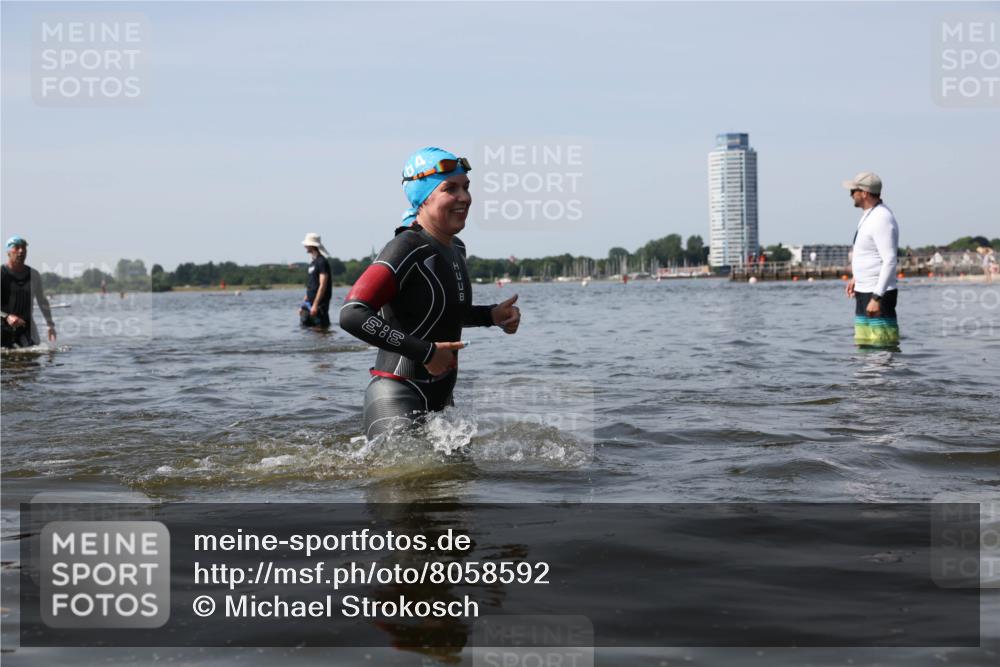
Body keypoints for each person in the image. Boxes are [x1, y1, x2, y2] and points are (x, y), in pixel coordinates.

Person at [340, 147, 520, 440]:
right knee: (403, 483)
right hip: (396, 395)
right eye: (450, 188)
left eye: (466, 187)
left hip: (442, 398)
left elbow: (441, 312)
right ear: (423, 198)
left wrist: (491, 315)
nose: (465, 197)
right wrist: (424, 352)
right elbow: (352, 314)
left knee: (454, 483)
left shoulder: (456, 249)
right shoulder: (405, 248)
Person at [843, 172, 900, 348]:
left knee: (882, 348)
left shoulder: (881, 218)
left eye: (853, 190)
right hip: (864, 291)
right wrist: (856, 278)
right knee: (865, 347)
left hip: (877, 294)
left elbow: (889, 259)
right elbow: (868, 253)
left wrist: (876, 297)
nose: (851, 194)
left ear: (865, 193)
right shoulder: (870, 215)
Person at [1, 236, 57, 348]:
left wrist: (50, 325)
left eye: (23, 248)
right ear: (8, 252)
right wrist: (6, 317)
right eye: (16, 247)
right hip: (2, 326)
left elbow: (42, 301)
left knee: (33, 360)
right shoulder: (1, 273)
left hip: (26, 327)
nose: (21, 251)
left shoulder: (34, 274)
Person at [300, 232, 332, 327]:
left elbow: (323, 284)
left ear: (312, 246)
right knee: (306, 330)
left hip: (319, 305)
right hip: (309, 304)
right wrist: (303, 304)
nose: (305, 246)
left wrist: (315, 305)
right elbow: (311, 285)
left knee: (321, 331)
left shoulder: (322, 262)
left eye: (306, 244)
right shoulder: (312, 263)